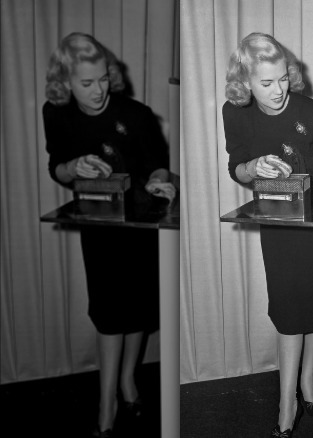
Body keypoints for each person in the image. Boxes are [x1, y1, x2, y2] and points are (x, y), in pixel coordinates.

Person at [223, 32, 313, 438]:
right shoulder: (235, 112)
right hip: (278, 224)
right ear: (245, 82)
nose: (278, 90)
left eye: (283, 78)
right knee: (288, 313)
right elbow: (236, 166)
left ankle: (308, 383)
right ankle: (286, 404)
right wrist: (253, 168)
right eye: (266, 83)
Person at [43, 32, 175, 438]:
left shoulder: (136, 113)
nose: (98, 89)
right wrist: (73, 167)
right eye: (86, 83)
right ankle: (106, 404)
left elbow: (158, 166)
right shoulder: (56, 112)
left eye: (103, 78)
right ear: (65, 81)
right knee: (108, 314)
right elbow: (57, 166)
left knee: (135, 309)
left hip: (138, 227)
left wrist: (158, 184)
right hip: (99, 228)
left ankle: (127, 384)